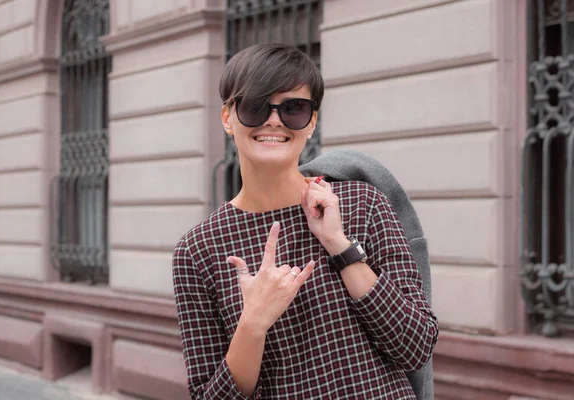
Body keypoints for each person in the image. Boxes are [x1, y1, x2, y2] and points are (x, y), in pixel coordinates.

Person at [172, 43, 438, 400]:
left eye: (293, 108)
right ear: (227, 118)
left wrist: (340, 246)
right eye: (255, 106)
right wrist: (252, 323)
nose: (274, 121)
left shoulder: (362, 203)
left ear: (311, 121)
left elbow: (415, 347)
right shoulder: (198, 249)